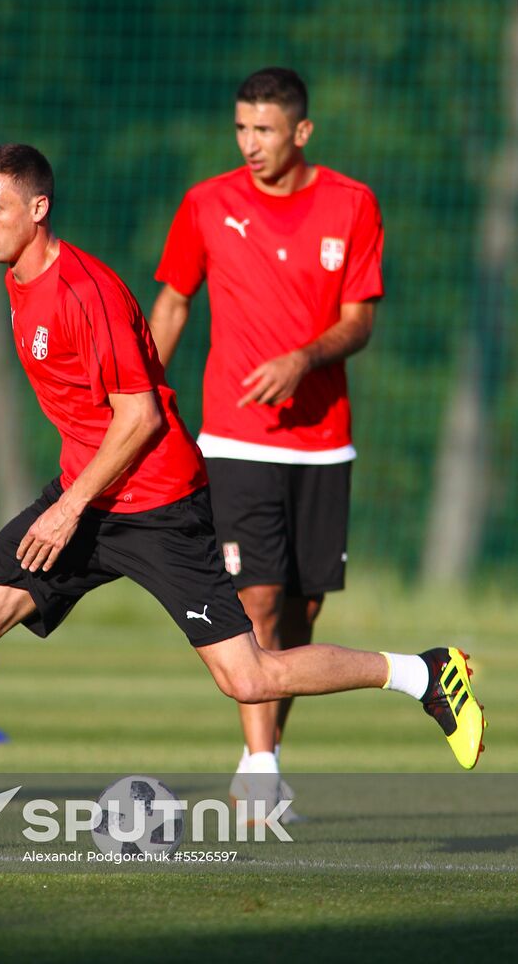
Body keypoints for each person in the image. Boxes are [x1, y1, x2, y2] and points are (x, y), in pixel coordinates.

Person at [0, 143, 484, 850]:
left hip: (156, 504)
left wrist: (66, 511)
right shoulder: (20, 278)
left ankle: (424, 672)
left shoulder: (81, 293)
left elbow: (141, 417)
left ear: (39, 209)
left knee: (250, 679)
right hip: (88, 494)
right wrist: (71, 502)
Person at [150, 67, 381, 802]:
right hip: (236, 435)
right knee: (257, 599)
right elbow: (174, 304)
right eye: (242, 128)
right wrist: (142, 400)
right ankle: (258, 773)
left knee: (305, 611)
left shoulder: (352, 203)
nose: (250, 144)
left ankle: (267, 757)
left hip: (323, 441)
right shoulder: (206, 203)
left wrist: (304, 357)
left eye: (265, 131)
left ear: (301, 132)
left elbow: (360, 322)